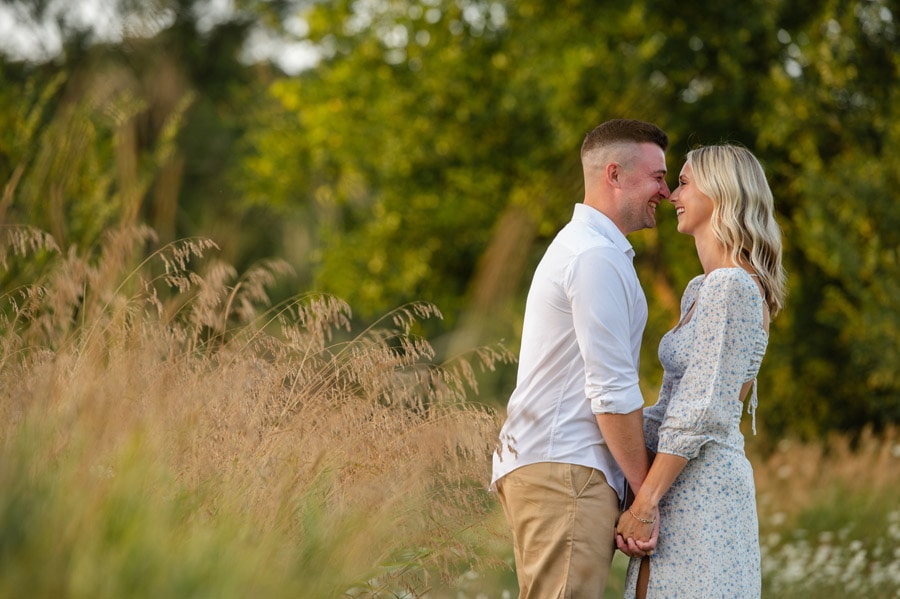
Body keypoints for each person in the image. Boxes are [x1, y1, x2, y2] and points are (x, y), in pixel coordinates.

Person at [491, 118, 671, 597]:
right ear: (614, 174)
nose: (667, 191)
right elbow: (611, 391)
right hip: (565, 470)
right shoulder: (594, 256)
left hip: (561, 468)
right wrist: (643, 498)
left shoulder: (592, 250)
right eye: (657, 176)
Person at [615, 144, 787, 598]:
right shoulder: (700, 289)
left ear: (721, 194)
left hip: (705, 487)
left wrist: (646, 500)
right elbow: (670, 403)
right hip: (677, 481)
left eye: (685, 182)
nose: (672, 193)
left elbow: (703, 407)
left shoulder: (732, 286)